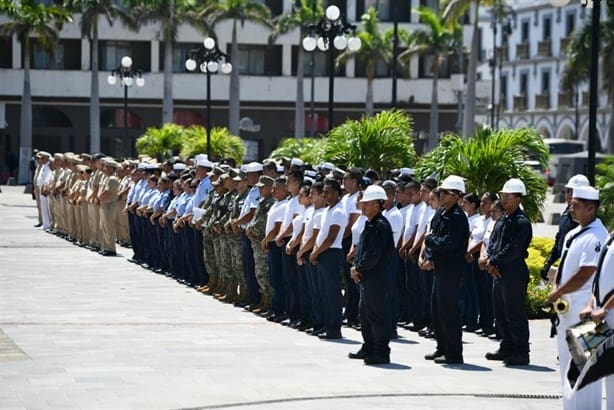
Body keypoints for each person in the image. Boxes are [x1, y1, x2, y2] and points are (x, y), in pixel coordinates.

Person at [547, 185, 608, 410]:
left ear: (591, 208)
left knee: (584, 368)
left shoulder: (596, 235)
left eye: (576, 206)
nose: (571, 209)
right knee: (567, 364)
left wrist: (557, 292)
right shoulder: (574, 233)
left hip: (585, 311)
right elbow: (564, 268)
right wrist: (557, 287)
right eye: (571, 205)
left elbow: (586, 272)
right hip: (567, 309)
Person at [421, 175, 469, 365]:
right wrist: (430, 256)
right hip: (440, 267)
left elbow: (448, 242)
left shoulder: (458, 218)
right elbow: (434, 234)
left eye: (445, 193)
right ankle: (442, 347)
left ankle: (454, 353)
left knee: (449, 311)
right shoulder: (441, 213)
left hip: (451, 269)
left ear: (457, 196)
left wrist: (429, 240)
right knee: (437, 309)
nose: (441, 195)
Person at [485, 178, 533, 366]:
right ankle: (507, 346)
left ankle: (521, 351)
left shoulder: (522, 222)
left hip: (513, 272)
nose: (504, 199)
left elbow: (515, 248)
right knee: (501, 312)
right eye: (503, 196)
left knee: (515, 313)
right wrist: (491, 260)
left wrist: (494, 261)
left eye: (508, 196)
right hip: (498, 271)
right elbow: (494, 242)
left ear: (518, 199)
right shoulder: (503, 219)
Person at [348, 185, 396, 365]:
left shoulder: (381, 226)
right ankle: (369, 346)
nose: (363, 207)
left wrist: (358, 267)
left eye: (366, 204)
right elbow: (362, 250)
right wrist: (356, 266)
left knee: (377, 315)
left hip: (377, 278)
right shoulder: (370, 224)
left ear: (377, 205)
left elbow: (373, 255)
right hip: (367, 277)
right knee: (365, 314)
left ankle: (381, 351)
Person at [579, 230, 614, 410]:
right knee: (608, 374)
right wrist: (591, 304)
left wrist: (604, 308)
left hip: (608, 313)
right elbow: (599, 279)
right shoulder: (611, 237)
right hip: (604, 317)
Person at [542, 174, 590, 281]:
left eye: (573, 192)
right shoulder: (566, 213)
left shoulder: (587, 218)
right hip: (564, 266)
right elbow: (559, 238)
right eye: (568, 191)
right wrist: (549, 261)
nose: (569, 195)